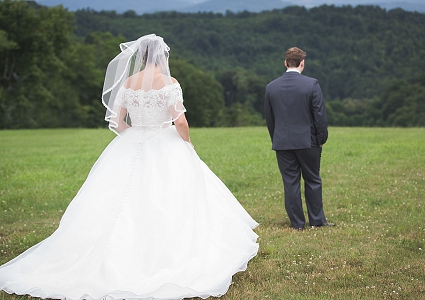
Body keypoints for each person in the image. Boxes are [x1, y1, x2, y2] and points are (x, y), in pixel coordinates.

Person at [0, 34, 259, 299]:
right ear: (161, 56)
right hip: (164, 141)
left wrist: (133, 135)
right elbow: (180, 121)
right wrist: (188, 143)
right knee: (169, 196)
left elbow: (116, 120)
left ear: (142, 55)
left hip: (133, 140)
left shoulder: (129, 82)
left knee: (119, 197)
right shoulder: (169, 82)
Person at [264, 47, 332, 230]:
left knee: (290, 182)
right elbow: (320, 115)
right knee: (313, 180)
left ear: (285, 63)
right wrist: (321, 138)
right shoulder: (312, 84)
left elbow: (270, 119)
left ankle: (297, 224)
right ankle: (317, 221)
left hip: (282, 142)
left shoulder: (271, 87)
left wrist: (276, 138)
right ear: (302, 63)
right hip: (308, 141)